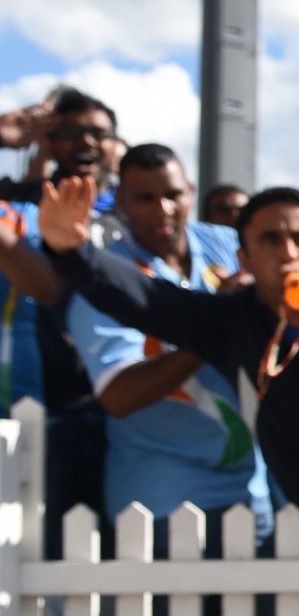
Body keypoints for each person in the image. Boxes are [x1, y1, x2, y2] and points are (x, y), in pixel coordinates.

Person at [37, 179, 299, 551]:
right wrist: (73, 252)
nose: (289, 252)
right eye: (270, 241)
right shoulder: (232, 319)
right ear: (244, 259)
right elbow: (147, 301)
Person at [65, 144, 270, 536]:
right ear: (122, 201)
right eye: (145, 198)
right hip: (160, 497)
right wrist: (216, 323)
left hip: (251, 488)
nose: (163, 209)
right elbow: (119, 395)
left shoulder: (228, 245)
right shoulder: (106, 278)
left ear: (190, 192)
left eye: (173, 195)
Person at [0, 88, 122, 543]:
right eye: (70, 133)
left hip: (124, 414)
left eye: (98, 133)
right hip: (32, 408)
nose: (85, 142)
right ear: (48, 143)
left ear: (116, 144)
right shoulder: (13, 204)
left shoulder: (138, 210)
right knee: (31, 555)